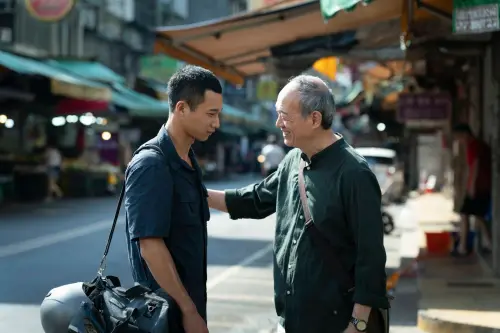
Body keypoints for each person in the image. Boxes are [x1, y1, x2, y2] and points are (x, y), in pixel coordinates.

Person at [207, 75, 389, 333]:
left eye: (285, 116)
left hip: (337, 323)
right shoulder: (293, 160)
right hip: (292, 319)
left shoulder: (354, 174)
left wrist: (357, 325)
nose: (278, 123)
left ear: (314, 119)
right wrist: (197, 194)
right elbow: (255, 199)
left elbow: (370, 258)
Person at [124, 65, 222, 333]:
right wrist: (188, 312)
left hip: (187, 306)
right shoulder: (152, 164)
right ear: (181, 108)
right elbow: (150, 246)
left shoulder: (188, 160)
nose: (216, 123)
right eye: (211, 114)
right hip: (164, 314)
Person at [452, 123, 492, 256]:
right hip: (482, 185)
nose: (459, 140)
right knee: (479, 215)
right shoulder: (478, 145)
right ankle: (490, 243)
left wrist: (472, 186)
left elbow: (475, 165)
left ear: (465, 134)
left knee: (465, 214)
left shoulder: (473, 146)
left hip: (478, 186)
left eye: (459, 137)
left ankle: (463, 248)